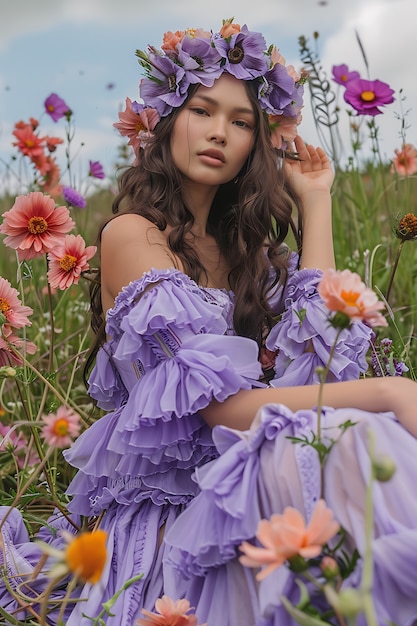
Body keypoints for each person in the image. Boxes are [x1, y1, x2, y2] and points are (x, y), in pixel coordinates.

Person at [1, 18, 417, 626]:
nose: (220, 132)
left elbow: (318, 359)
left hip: (249, 480)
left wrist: (317, 199)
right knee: (358, 431)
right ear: (167, 121)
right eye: (202, 110)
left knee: (348, 435)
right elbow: (218, 410)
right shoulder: (132, 235)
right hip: (181, 519)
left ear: (260, 141)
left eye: (242, 121)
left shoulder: (252, 257)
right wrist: (388, 392)